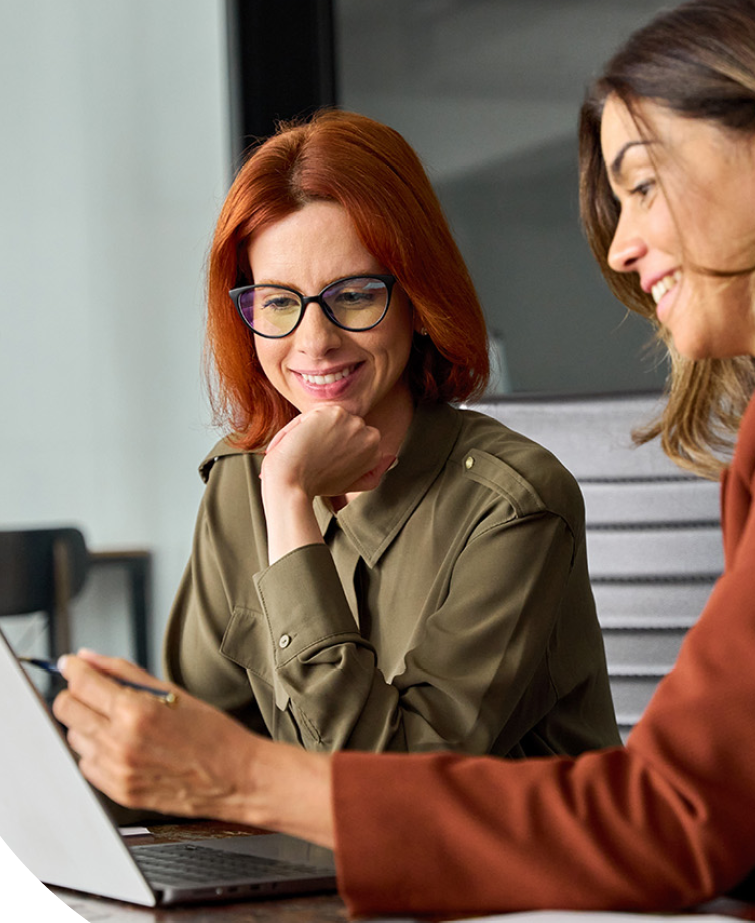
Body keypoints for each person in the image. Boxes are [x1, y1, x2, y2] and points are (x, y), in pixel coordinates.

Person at [55, 0, 755, 914]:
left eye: (643, 183)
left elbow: (675, 814)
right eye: (277, 303)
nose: (621, 248)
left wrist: (240, 777)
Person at [158, 109, 618, 757]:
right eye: (279, 303)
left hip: (472, 858)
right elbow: (194, 746)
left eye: (352, 295)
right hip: (298, 859)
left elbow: (389, 789)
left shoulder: (513, 507)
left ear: (419, 302)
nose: (314, 342)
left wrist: (290, 505)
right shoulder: (240, 480)